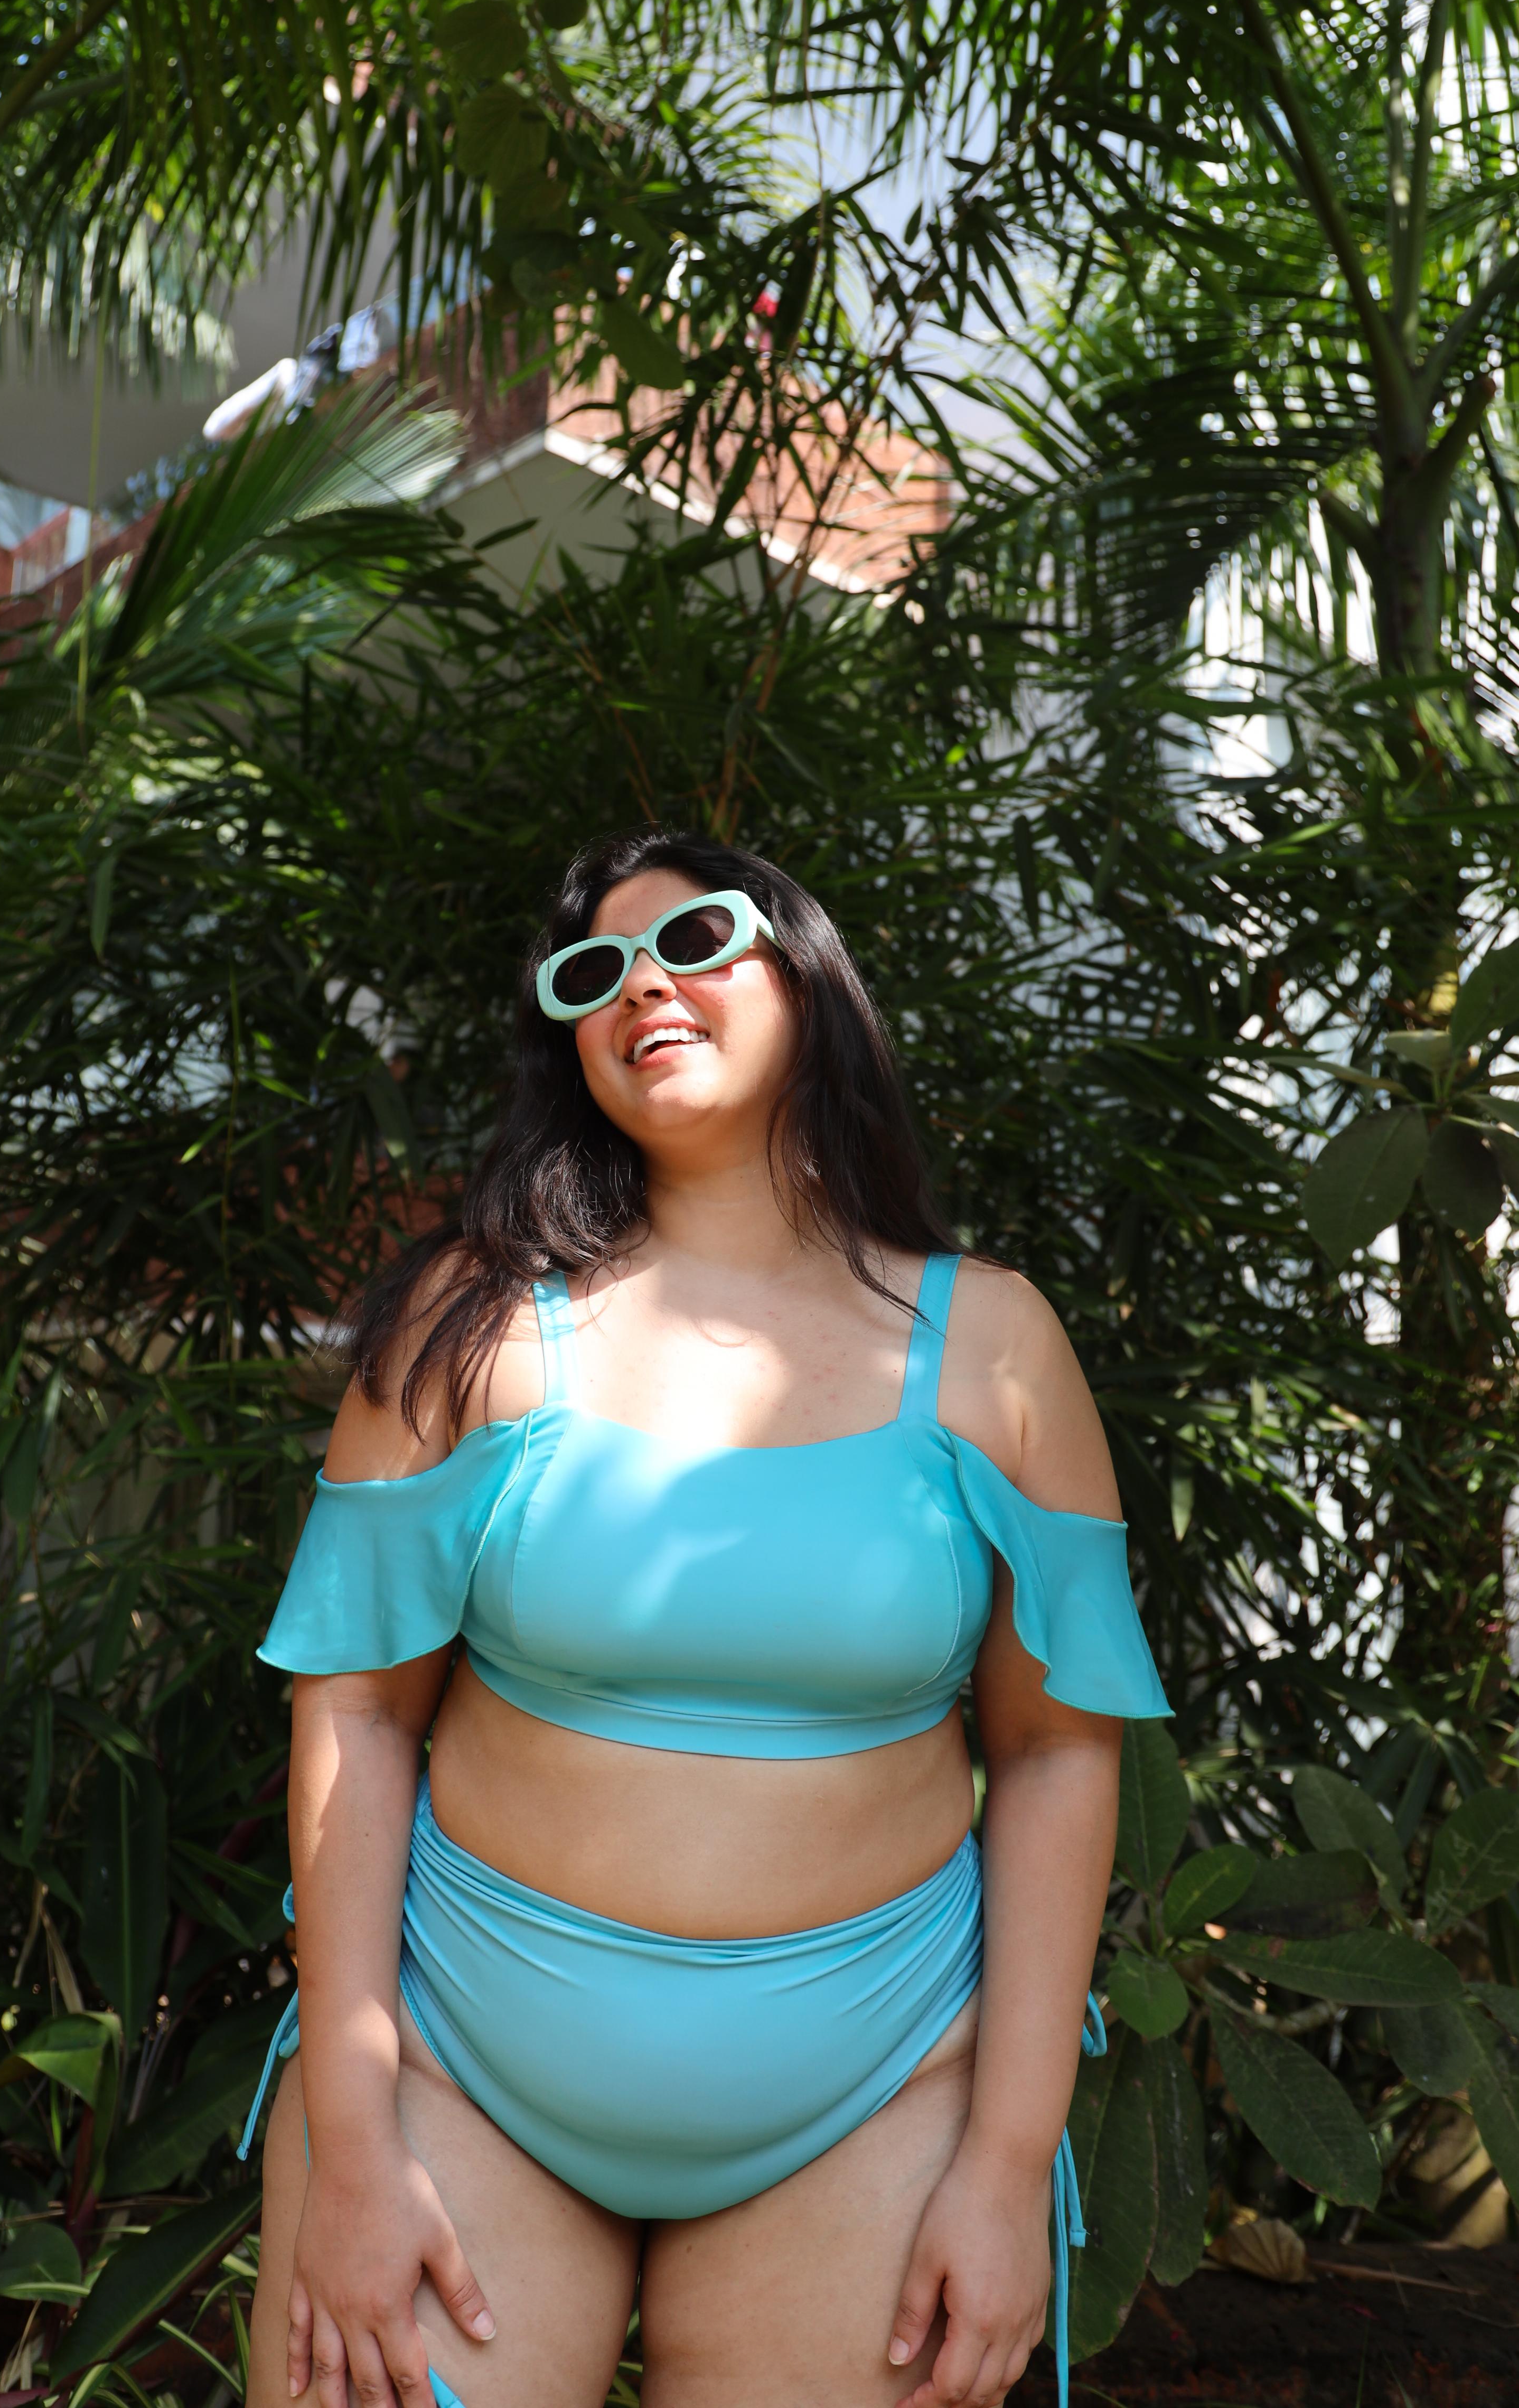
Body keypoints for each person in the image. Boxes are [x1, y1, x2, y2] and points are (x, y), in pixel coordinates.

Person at [242, 827, 1169, 2408]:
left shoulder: (995, 1345)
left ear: (806, 973)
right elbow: (355, 1708)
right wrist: (352, 2130)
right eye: (592, 974)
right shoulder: (473, 1325)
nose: (640, 988)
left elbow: (1056, 1757)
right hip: (468, 2076)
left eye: (694, 941)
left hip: (878, 2094)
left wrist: (1010, 2164)